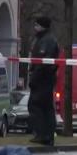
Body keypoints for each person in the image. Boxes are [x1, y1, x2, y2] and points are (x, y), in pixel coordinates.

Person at [28, 17, 59, 146]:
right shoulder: (41, 39)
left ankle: (42, 134)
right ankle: (47, 135)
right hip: (44, 78)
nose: (35, 27)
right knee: (46, 107)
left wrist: (34, 78)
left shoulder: (47, 41)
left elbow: (43, 63)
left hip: (43, 79)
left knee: (36, 105)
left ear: (42, 26)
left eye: (37, 25)